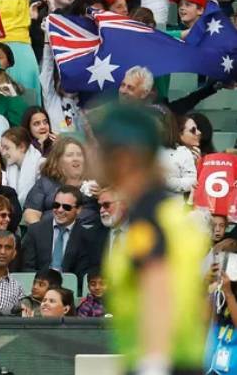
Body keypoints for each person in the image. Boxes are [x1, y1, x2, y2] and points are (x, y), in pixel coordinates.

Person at [95, 104, 208, 374]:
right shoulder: (167, 211)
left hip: (161, 362)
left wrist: (154, 364)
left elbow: (157, 285)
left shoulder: (149, 215)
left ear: (122, 158)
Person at [22, 185, 97, 280]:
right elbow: (27, 268)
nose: (60, 210)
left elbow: (83, 274)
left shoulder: (86, 236)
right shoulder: (35, 231)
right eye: (56, 205)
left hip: (69, 290)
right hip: (38, 286)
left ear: (78, 210)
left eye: (66, 207)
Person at [0, 127, 44, 207]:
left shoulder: (42, 165)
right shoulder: (10, 167)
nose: (3, 153)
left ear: (21, 147)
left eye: (7, 148)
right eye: (2, 148)